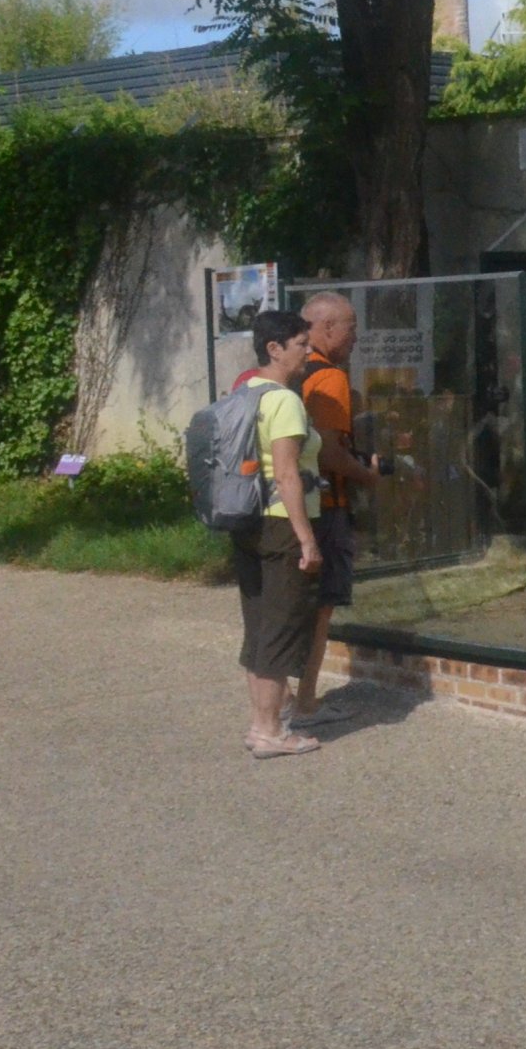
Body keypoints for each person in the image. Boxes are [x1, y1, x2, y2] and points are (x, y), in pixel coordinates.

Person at [287, 290, 385, 730]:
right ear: (327, 329)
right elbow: (329, 452)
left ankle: (287, 699)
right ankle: (305, 702)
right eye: (351, 328)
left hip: (289, 507)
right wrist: (368, 476)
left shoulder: (289, 374)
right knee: (322, 606)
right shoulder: (329, 379)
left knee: (291, 606)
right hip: (325, 507)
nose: (355, 339)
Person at [236, 309, 327, 759]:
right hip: (280, 522)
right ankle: (272, 731)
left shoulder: (245, 392)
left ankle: (259, 726)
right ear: (274, 348)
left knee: (257, 628)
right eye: (301, 344)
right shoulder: (285, 400)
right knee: (279, 630)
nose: (309, 352)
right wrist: (307, 539)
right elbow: (288, 474)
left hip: (247, 519)